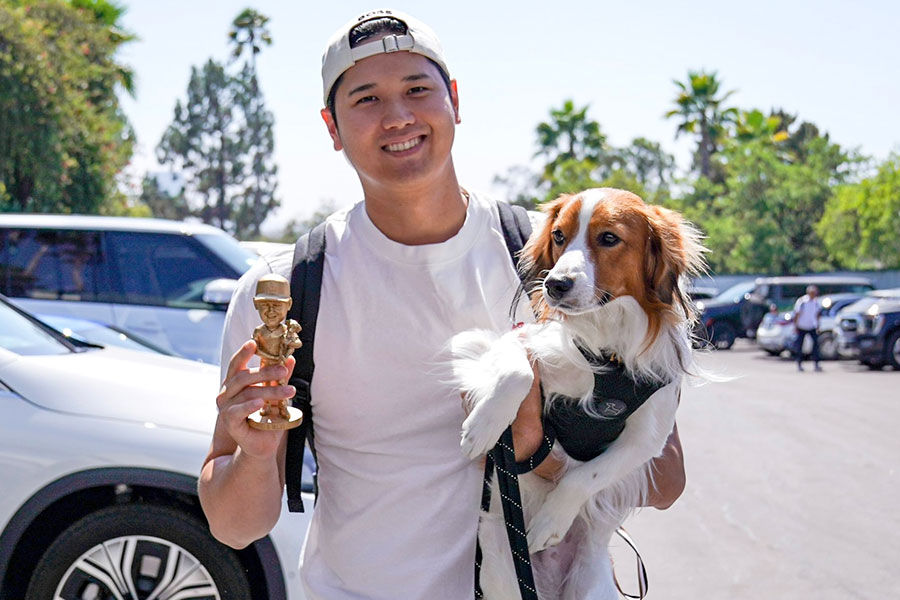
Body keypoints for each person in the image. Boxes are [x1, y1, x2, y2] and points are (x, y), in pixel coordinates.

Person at [199, 9, 685, 599]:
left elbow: (665, 481)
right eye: (366, 98)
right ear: (332, 127)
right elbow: (234, 525)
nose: (398, 115)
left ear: (454, 99)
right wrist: (253, 454)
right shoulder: (286, 288)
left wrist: (536, 451)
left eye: (417, 89)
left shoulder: (553, 260)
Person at [793, 285, 823, 371]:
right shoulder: (802, 301)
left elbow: (817, 315)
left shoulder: (816, 302)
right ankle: (799, 363)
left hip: (812, 326)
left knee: (816, 345)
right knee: (800, 346)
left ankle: (816, 363)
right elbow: (797, 314)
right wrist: (795, 326)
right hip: (802, 326)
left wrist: (818, 326)